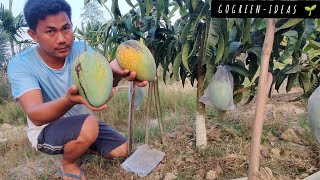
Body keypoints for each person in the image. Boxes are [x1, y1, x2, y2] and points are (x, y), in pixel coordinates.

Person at [7, 0, 148, 179]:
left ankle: (81, 144)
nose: (62, 39)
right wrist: (69, 100)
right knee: (89, 125)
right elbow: (35, 115)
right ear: (33, 35)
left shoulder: (83, 51)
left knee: (123, 150)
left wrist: (118, 74)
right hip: (46, 130)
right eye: (51, 31)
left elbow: (100, 90)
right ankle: (68, 163)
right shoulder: (21, 64)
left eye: (66, 28)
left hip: (84, 122)